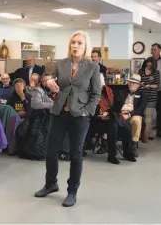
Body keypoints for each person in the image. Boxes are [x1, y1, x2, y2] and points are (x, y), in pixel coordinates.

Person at [34, 31, 101, 207]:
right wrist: (48, 83)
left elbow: (96, 94)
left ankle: (72, 191)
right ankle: (51, 184)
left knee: (76, 154)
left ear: (85, 46)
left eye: (79, 43)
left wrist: (88, 111)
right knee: (50, 151)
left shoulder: (93, 67)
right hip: (59, 112)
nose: (75, 46)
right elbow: (52, 86)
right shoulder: (61, 64)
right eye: (73, 42)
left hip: (80, 115)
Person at [107, 74, 148, 164]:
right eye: (130, 82)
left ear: (138, 85)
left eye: (133, 83)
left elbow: (140, 109)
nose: (131, 84)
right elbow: (115, 106)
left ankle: (132, 146)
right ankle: (114, 154)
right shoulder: (121, 92)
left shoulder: (143, 95)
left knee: (136, 120)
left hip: (133, 114)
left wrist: (129, 114)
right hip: (120, 114)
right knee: (115, 122)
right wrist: (113, 112)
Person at [139, 57, 160, 140]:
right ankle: (142, 134)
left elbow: (157, 85)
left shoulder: (156, 73)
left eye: (151, 64)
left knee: (148, 115)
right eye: (148, 63)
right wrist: (141, 84)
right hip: (141, 96)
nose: (149, 65)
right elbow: (138, 82)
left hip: (151, 97)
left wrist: (149, 86)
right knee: (141, 115)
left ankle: (146, 135)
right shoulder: (141, 71)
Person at [149, 43, 161, 137]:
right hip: (151, 91)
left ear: (159, 50)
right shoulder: (149, 62)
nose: (153, 51)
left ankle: (159, 132)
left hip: (160, 90)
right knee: (151, 111)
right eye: (152, 49)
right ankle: (148, 131)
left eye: (155, 49)